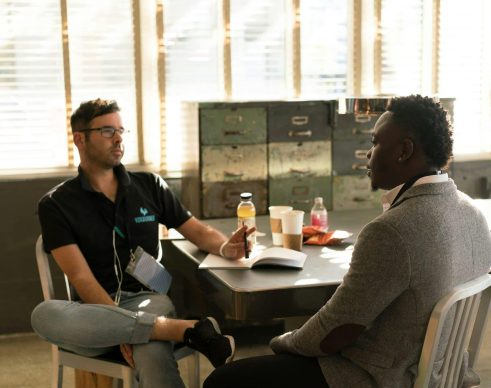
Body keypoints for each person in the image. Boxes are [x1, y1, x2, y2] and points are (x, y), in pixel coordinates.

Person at [203, 95, 491, 388]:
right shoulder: (473, 215)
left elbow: (335, 332)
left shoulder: (392, 231)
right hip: (441, 376)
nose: (368, 154)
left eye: (376, 142)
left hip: (376, 378)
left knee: (223, 381)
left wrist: (282, 342)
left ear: (404, 150)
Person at [31, 98, 254, 388]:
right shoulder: (57, 204)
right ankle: (189, 330)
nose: (119, 138)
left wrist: (227, 247)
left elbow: (197, 231)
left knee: (149, 346)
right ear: (80, 139)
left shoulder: (149, 185)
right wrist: (122, 326)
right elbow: (81, 278)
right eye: (108, 131)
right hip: (94, 315)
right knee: (44, 315)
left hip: (150, 299)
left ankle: (163, 330)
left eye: (122, 130)